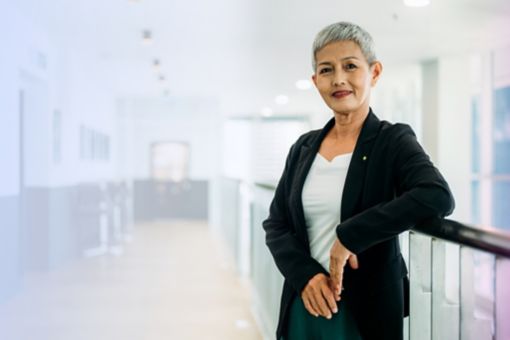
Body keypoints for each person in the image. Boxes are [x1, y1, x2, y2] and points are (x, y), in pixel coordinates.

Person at [262, 21, 455, 340]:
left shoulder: (392, 141)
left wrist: (351, 236)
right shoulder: (304, 147)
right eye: (326, 70)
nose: (338, 79)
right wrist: (306, 276)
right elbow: (277, 224)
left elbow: (436, 195)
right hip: (307, 301)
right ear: (316, 80)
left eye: (350, 66)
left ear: (374, 72)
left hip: (365, 311)